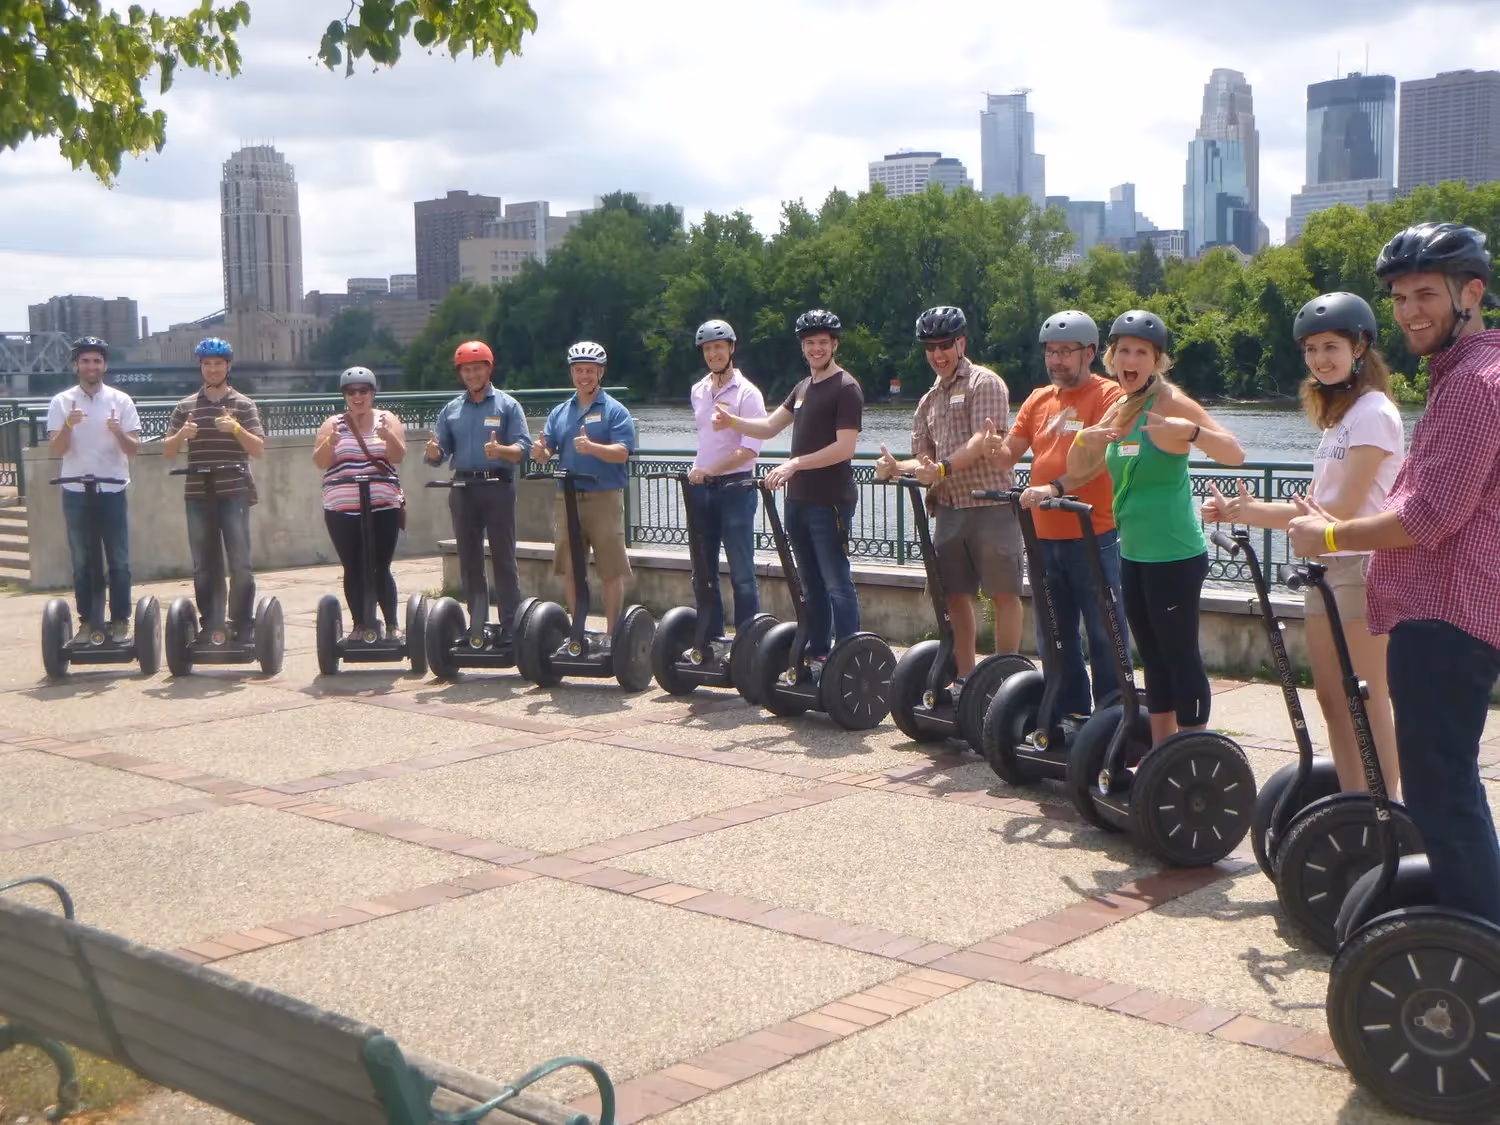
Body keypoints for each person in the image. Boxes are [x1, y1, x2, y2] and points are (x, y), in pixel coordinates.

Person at [1288, 222, 1500, 926]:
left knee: (1444, 794)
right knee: (1447, 790)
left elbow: (1428, 516)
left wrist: (1329, 534)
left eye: (1426, 295)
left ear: (1471, 293)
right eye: (1401, 297)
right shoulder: (1464, 376)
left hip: (1447, 614)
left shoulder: (1474, 385)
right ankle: (1472, 931)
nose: (1410, 311)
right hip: (1447, 610)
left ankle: (1478, 949)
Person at [1204, 292, 1403, 796]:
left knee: (1366, 698)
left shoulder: (1373, 412)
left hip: (1359, 565)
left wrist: (1301, 520)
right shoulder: (1339, 419)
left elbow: (1342, 509)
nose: (1320, 359)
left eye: (1331, 347)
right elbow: (1315, 508)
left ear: (1360, 348)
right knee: (1332, 700)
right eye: (1311, 349)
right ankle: (1354, 804)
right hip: (1325, 568)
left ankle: (1385, 808)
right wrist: (1242, 511)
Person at [1066, 310, 1245, 745]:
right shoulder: (1119, 407)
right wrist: (1083, 439)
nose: (1131, 360)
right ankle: (1162, 754)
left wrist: (1193, 432)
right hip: (1133, 553)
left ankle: (1194, 753)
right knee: (1153, 659)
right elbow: (1077, 472)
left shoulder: (1170, 402)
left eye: (1141, 353)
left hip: (1174, 554)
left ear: (1157, 361)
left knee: (1179, 656)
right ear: (1111, 357)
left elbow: (1235, 454)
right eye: (1124, 351)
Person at [980, 310, 1126, 715]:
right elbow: (1009, 453)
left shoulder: (1109, 396)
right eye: (1050, 352)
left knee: (1104, 632)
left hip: (1092, 533)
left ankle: (1114, 717)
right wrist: (993, 449)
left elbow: (1099, 459)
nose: (1056, 360)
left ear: (1089, 353)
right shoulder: (1038, 399)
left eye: (1065, 352)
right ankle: (1069, 713)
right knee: (1055, 636)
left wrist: (1054, 487)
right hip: (1043, 536)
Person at [874, 305, 1022, 685]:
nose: (938, 354)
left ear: (961, 344)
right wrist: (896, 468)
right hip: (950, 509)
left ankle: (1004, 681)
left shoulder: (984, 383)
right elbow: (924, 459)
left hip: (991, 504)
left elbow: (981, 439)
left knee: (1004, 595)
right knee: (955, 596)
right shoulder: (928, 400)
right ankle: (967, 681)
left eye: (944, 345)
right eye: (930, 347)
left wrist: (941, 469)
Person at [714, 309, 862, 676]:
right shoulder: (802, 388)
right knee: (810, 584)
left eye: (822, 343)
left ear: (835, 345)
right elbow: (768, 427)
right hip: (798, 501)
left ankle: (851, 658)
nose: (816, 349)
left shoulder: (846, 388)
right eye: (810, 343)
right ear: (802, 347)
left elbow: (845, 448)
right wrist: (732, 421)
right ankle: (819, 653)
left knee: (837, 582)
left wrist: (795, 464)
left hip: (829, 501)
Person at [423, 341, 530, 641]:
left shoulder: (507, 405)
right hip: (463, 487)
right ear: (460, 374)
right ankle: (477, 624)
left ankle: (510, 626)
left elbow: (523, 448)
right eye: (466, 370)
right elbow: (439, 452)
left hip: (497, 486)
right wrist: (433, 452)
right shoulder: (452, 409)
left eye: (477, 369)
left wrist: (501, 451)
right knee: (469, 559)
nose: (472, 375)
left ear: (488, 369)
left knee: (503, 558)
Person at [533, 342, 637, 644]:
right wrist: (540, 452)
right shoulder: (560, 412)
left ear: (600, 373)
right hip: (567, 497)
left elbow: (623, 452)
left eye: (590, 371)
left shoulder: (615, 410)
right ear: (572, 373)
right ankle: (577, 631)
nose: (584, 377)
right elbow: (546, 451)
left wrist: (593, 448)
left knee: (609, 569)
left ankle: (612, 635)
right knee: (571, 568)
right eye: (579, 371)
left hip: (603, 496)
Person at [162, 338, 266, 639]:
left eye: (218, 364)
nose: (213, 369)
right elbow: (167, 451)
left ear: (228, 366)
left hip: (233, 491)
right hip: (197, 493)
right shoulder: (186, 407)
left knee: (240, 563)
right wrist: (182, 435)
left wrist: (236, 429)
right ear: (200, 367)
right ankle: (211, 623)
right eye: (207, 364)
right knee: (204, 566)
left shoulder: (243, 404)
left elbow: (258, 448)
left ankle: (242, 622)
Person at [45, 336, 141, 640]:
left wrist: (118, 432)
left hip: (112, 489)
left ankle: (120, 620)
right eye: (85, 361)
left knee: (119, 560)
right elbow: (57, 450)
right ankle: (87, 622)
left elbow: (133, 450)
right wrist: (68, 425)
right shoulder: (61, 402)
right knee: (82, 560)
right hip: (75, 490)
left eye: (97, 361)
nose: (91, 366)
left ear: (105, 366)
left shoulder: (121, 400)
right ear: (76, 365)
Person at [314, 366, 408, 641]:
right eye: (351, 392)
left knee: (380, 565)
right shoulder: (333, 424)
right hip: (342, 508)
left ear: (373, 393)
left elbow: (398, 457)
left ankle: (392, 625)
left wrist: (389, 436)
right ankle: (360, 625)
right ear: (344, 395)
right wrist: (330, 443)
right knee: (353, 566)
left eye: (363, 391)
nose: (357, 397)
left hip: (382, 504)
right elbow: (320, 462)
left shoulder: (387, 419)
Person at [687, 319, 766, 644]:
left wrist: (711, 470)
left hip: (736, 489)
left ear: (731, 348)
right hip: (702, 489)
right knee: (702, 573)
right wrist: (698, 469)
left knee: (742, 574)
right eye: (707, 349)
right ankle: (709, 639)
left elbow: (749, 450)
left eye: (718, 347)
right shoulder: (698, 390)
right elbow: (706, 440)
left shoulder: (748, 393)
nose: (713, 354)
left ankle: (748, 643)